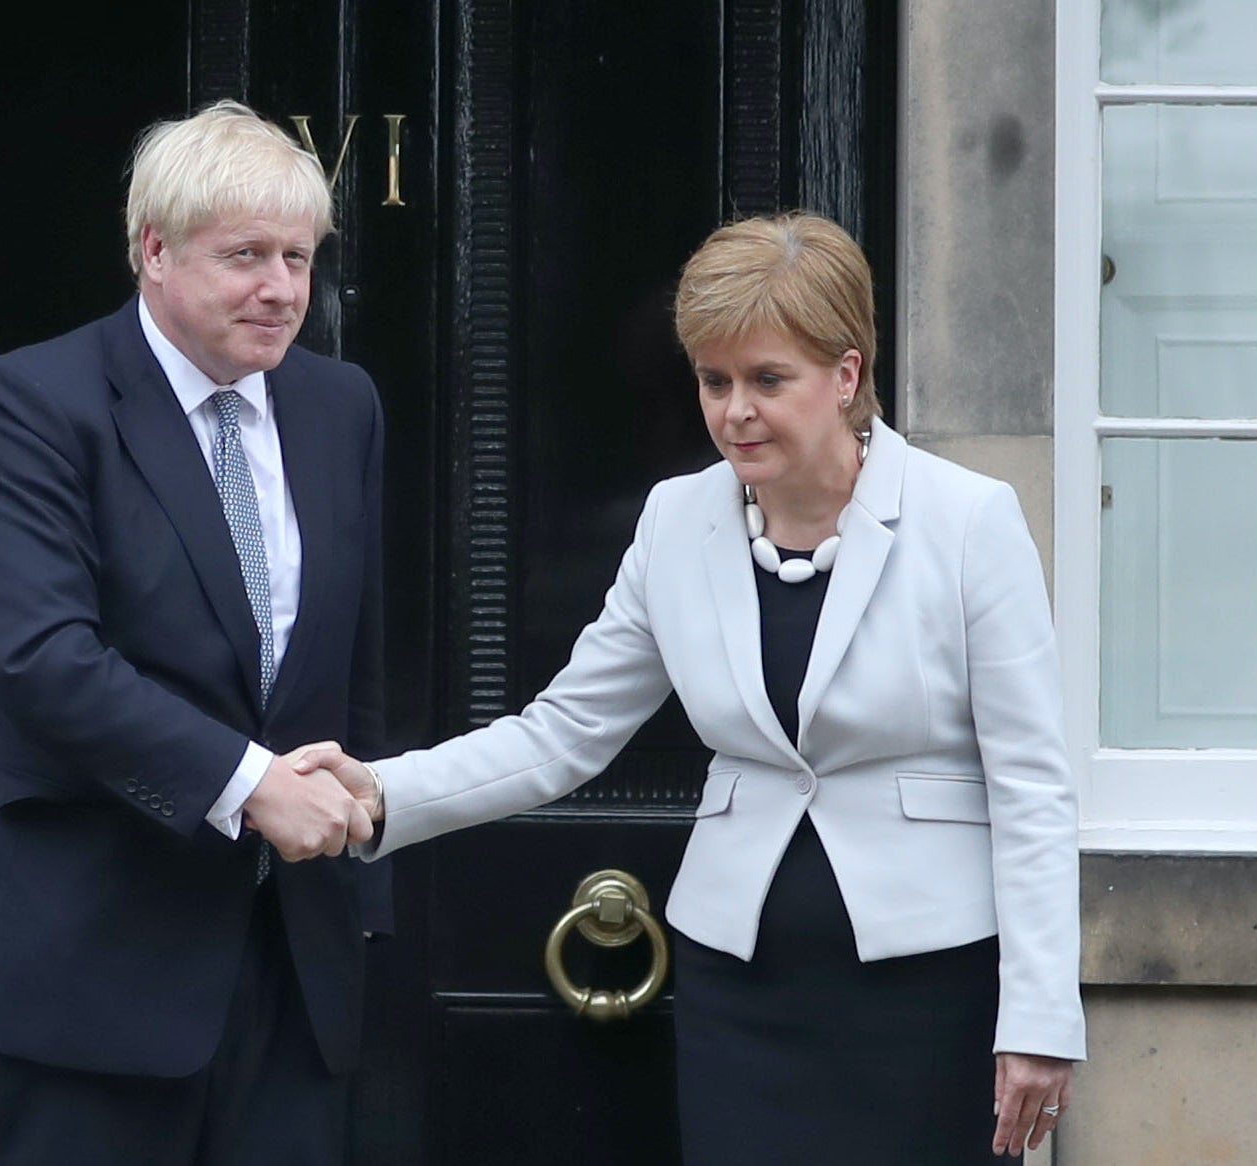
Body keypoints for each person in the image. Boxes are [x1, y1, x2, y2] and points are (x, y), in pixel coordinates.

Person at [301, 212, 1085, 1163]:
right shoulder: (677, 521)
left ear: (845, 376)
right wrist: (382, 792)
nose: (733, 411)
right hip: (739, 987)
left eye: (766, 380)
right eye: (714, 381)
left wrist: (1039, 1016)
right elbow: (564, 732)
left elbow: (1031, 785)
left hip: (929, 991)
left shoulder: (968, 520)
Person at [0, 100, 388, 1166]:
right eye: (245, 256)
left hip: (294, 965)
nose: (281, 288)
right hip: (88, 973)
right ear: (153, 250)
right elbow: (38, 653)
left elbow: (352, 662)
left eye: (297, 255)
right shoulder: (29, 402)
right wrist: (249, 783)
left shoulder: (339, 405)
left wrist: (363, 869)